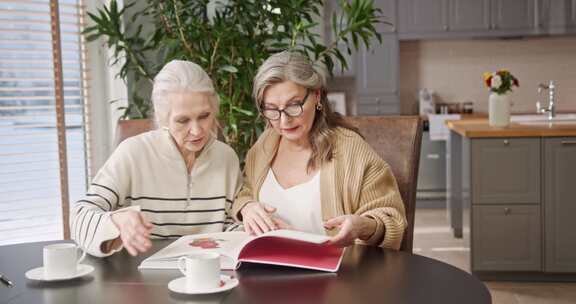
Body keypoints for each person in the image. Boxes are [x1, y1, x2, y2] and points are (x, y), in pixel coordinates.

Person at [232, 51, 407, 249]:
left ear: (316, 96)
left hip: (337, 275)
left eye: (294, 105)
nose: (284, 121)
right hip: (268, 271)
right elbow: (246, 191)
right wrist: (247, 207)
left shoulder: (350, 149)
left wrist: (363, 226)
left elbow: (393, 220)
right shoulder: (265, 145)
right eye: (271, 109)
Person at [71, 60, 241, 257]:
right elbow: (79, 218)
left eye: (204, 116)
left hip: (208, 275)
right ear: (162, 118)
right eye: (183, 120)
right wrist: (117, 221)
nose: (196, 130)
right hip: (141, 277)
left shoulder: (226, 157)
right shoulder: (133, 153)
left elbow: (230, 226)